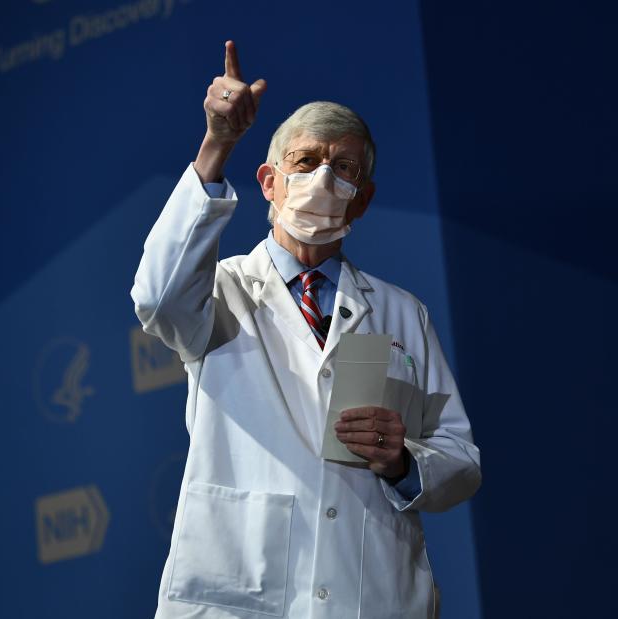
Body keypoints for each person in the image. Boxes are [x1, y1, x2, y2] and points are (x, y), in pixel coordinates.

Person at [131, 40, 481, 619]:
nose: (324, 179)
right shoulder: (221, 291)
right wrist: (218, 143)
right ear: (268, 182)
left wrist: (403, 461)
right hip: (246, 596)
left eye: (344, 169)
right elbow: (156, 296)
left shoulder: (400, 313)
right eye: (305, 161)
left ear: (361, 201)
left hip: (369, 594)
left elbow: (460, 459)